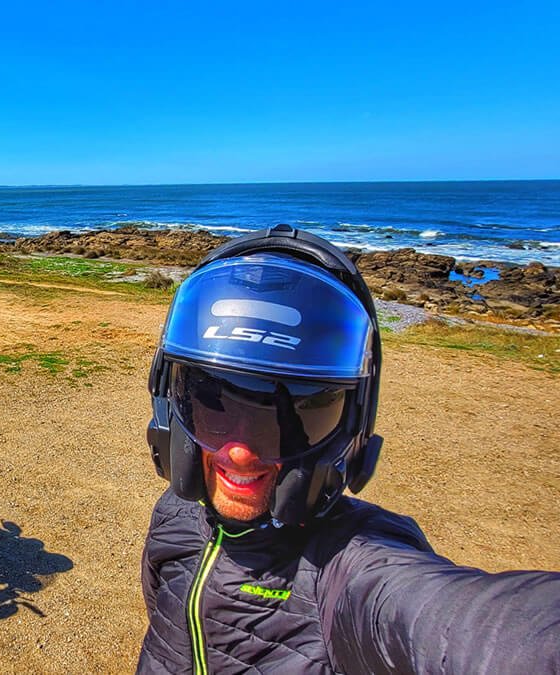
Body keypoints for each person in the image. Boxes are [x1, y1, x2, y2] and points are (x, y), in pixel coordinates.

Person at [138, 225, 559, 674]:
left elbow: (474, 630)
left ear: (350, 430)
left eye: (298, 416)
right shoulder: (175, 513)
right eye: (210, 401)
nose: (240, 453)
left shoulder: (347, 566)